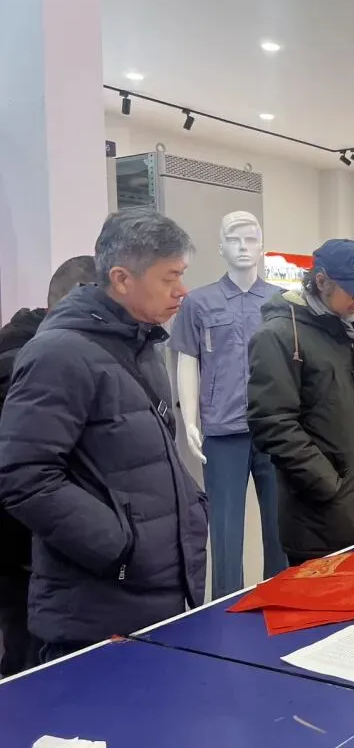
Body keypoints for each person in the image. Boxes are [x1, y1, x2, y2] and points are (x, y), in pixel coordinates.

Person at [0, 210, 208, 665]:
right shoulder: (60, 354)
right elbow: (24, 476)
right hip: (95, 609)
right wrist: (119, 547)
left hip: (158, 594)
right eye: (170, 277)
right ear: (121, 278)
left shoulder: (142, 344)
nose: (182, 290)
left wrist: (189, 510)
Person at [247, 239, 354, 566]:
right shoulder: (280, 335)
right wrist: (327, 484)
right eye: (352, 290)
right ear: (321, 281)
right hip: (319, 522)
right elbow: (272, 423)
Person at [0, 256, 98, 676]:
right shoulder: (41, 362)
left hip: (24, 540)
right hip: (32, 540)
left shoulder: (21, 347)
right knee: (32, 662)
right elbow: (31, 471)